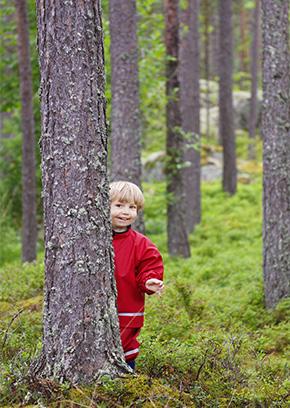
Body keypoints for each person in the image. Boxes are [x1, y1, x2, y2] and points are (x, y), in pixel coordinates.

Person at [110, 181, 164, 370]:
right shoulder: (91, 238)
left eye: (132, 207)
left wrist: (149, 281)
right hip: (92, 312)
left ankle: (127, 380)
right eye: (119, 205)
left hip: (128, 311)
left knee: (125, 352)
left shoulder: (141, 244)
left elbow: (150, 266)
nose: (125, 212)